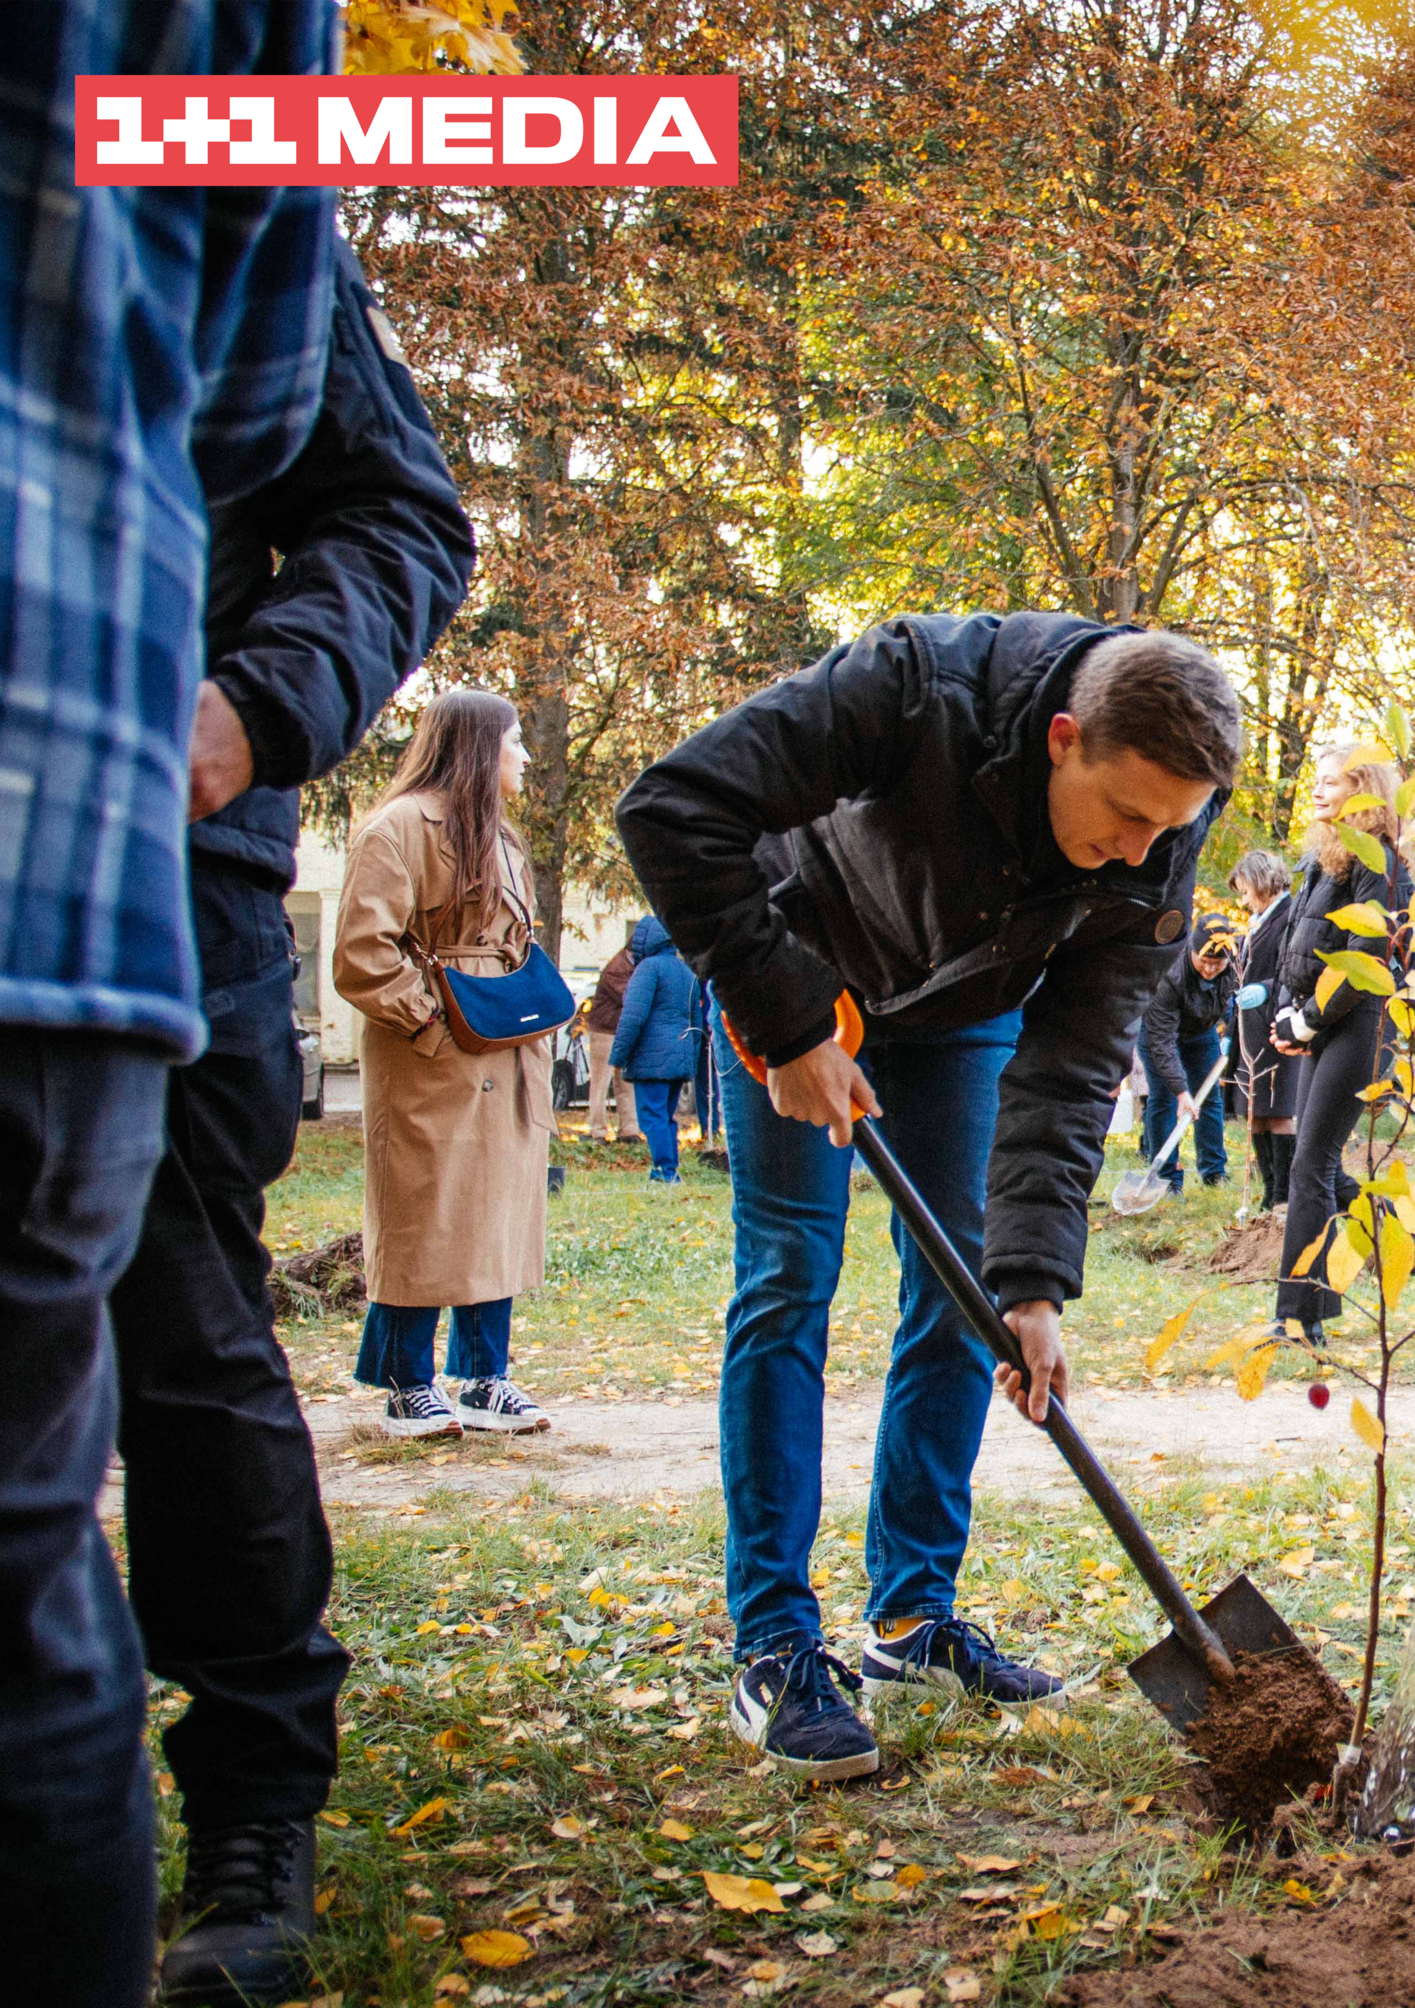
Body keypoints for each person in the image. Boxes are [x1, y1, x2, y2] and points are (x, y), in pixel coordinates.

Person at [616, 616, 1238, 1781]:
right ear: (1063, 739)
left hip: (960, 1011)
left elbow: (1072, 1067)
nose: (1140, 850)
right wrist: (783, 1015)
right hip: (794, 958)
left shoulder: (1156, 846)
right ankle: (775, 1643)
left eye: (1170, 828)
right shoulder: (914, 686)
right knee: (790, 1277)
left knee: (970, 1302)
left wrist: (1037, 1279)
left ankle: (909, 1619)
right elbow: (671, 809)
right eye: (1127, 817)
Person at [2, 14, 335, 1992]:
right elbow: (225, 380)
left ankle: (253, 1804)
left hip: (80, 884)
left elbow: (331, 463)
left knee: (175, 1384)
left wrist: (249, 705)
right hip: (72, 846)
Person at [106, 232, 474, 2006]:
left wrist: (244, 712)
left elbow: (399, 513)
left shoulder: (183, 131)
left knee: (181, 1338)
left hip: (148, 861)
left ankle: (254, 1799)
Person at [333, 692, 556, 1439]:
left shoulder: (506, 841)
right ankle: (405, 1383)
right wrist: (429, 1026)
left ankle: (485, 1379)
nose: (524, 757)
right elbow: (364, 953)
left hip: (506, 1048)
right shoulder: (396, 829)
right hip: (431, 1054)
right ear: (477, 747)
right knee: (423, 1214)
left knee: (494, 1215)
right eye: (514, 742)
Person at [1269, 747, 1413, 1345]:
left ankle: (1302, 1314)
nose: (1318, 790)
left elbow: (1371, 962)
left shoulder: (1378, 864)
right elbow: (1297, 949)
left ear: (1364, 791)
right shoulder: (1323, 859)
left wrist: (1306, 1022)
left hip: (1364, 1022)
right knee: (1318, 1163)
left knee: (1310, 1165)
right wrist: (1289, 1013)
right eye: (1317, 781)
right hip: (1323, 1021)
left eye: (1331, 782)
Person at [1138, 921, 1237, 1195]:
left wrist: (1231, 1033)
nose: (1210, 969)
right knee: (1164, 1099)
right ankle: (1167, 1180)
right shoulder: (1170, 976)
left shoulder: (1233, 968)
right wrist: (1181, 1090)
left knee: (1210, 1100)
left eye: (1217, 964)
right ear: (1192, 951)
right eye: (1204, 961)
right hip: (1157, 1035)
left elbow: (1233, 1006)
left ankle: (1214, 1172)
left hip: (1202, 1033)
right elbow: (1162, 1042)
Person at [610, 915, 703, 1183]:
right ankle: (669, 1168)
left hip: (651, 1058)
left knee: (652, 1116)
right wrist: (690, 1060)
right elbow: (695, 1023)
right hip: (679, 1057)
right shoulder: (686, 972)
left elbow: (633, 1016)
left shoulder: (648, 969)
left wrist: (619, 1055)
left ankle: (665, 1172)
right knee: (667, 1116)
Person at [1229, 851, 1297, 1209]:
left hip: (1276, 1025)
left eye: (1245, 892)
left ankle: (1285, 1194)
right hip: (1249, 1033)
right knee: (1255, 1113)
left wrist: (1267, 989)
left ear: (1263, 881)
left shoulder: (1289, 916)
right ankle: (1269, 1191)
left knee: (1278, 1111)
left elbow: (1293, 969)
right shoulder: (1255, 923)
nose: (1243, 902)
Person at [584, 935, 637, 1141]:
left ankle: (629, 1130)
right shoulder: (616, 968)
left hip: (620, 1031)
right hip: (604, 1032)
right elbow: (628, 997)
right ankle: (597, 1130)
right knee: (600, 1083)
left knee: (625, 1083)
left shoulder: (631, 965)